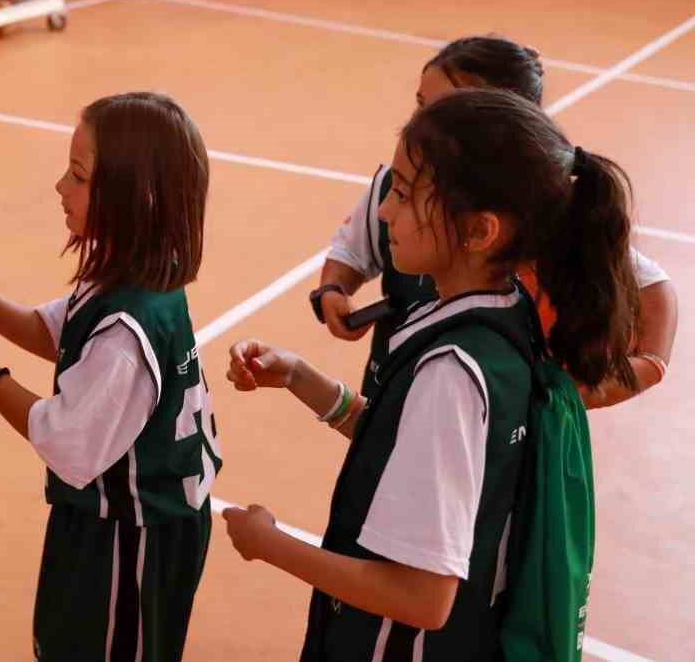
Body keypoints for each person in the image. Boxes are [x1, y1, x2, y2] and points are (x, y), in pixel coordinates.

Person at [225, 88, 640, 659]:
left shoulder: (453, 371)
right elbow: (419, 451)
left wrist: (270, 544)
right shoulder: (506, 313)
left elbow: (422, 596)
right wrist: (302, 378)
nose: (384, 210)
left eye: (401, 191)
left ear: (478, 231)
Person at [0, 92, 218, 662]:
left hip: (133, 538)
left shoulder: (124, 334)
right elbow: (53, 334)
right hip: (114, 519)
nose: (60, 187)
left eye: (79, 175)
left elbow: (67, 446)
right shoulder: (133, 272)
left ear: (133, 198)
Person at [310, 35, 677, 406]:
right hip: (398, 388)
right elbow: (352, 251)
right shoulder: (395, 187)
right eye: (421, 104)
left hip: (479, 412)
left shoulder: (541, 210)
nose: (422, 121)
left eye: (446, 106)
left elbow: (651, 285)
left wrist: (648, 365)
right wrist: (332, 289)